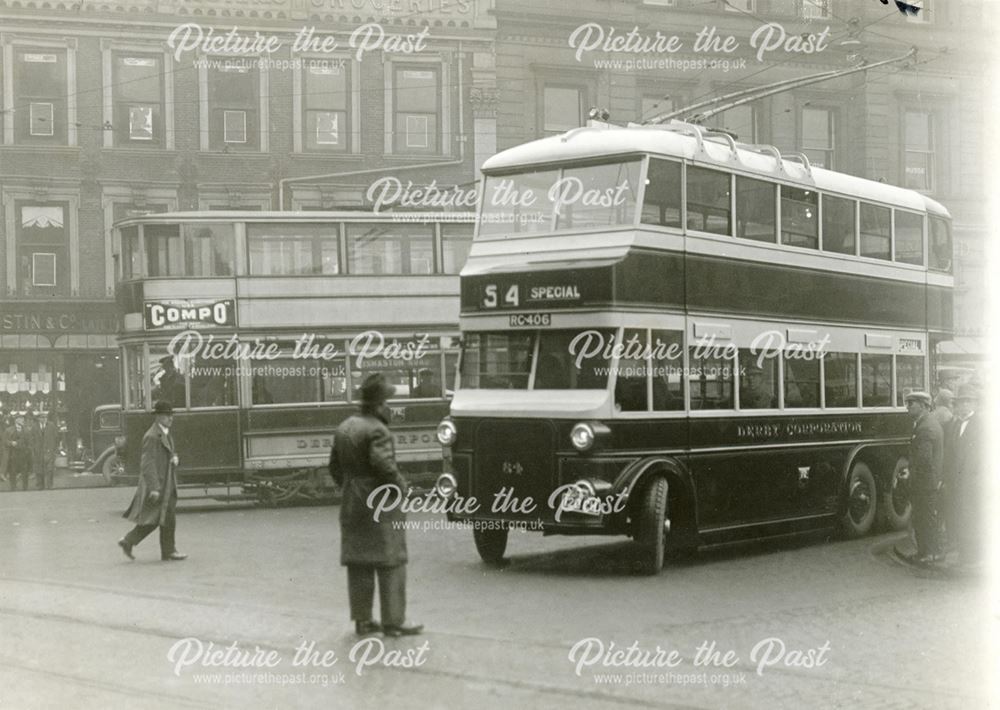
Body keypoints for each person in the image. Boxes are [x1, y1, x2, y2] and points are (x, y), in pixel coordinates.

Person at [329, 373, 422, 638]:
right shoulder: (378, 430)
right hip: (379, 505)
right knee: (391, 561)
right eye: (387, 402)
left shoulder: (345, 426)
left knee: (359, 563)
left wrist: (351, 487)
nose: (389, 408)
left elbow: (334, 467)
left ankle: (363, 620)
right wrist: (402, 488)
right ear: (379, 405)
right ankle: (393, 622)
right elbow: (384, 467)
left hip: (352, 502)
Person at [118, 400, 187, 562]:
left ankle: (129, 541)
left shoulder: (164, 432)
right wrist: (154, 488)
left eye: (171, 415)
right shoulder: (152, 436)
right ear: (158, 417)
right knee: (162, 517)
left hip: (165, 482)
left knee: (160, 517)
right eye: (167, 415)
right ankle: (168, 551)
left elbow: (166, 455)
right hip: (160, 484)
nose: (171, 418)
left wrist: (174, 459)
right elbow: (147, 463)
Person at [896, 391, 944, 565]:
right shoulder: (925, 423)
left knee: (924, 518)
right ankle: (934, 552)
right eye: (907, 403)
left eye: (912, 404)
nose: (908, 407)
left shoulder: (926, 427)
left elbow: (924, 458)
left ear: (924, 406)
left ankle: (927, 553)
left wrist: (910, 472)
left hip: (924, 482)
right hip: (927, 481)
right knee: (927, 517)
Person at [943, 384, 982, 567]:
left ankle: (972, 556)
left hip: (973, 481)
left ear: (974, 404)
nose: (964, 405)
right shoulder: (954, 424)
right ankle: (963, 555)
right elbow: (949, 453)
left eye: (968, 401)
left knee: (972, 517)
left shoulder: (981, 425)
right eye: (961, 402)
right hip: (956, 481)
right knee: (959, 516)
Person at [5, 417, 32, 491]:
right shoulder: (9, 430)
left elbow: (30, 442)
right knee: (12, 471)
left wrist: (27, 450)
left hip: (24, 454)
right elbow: (5, 441)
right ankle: (13, 487)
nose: (23, 421)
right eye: (21, 420)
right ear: (16, 421)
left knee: (25, 472)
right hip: (13, 454)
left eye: (23, 420)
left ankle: (25, 488)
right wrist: (11, 443)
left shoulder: (27, 430)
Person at [41, 414, 61, 490]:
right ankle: (44, 485)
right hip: (41, 450)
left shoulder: (51, 425)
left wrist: (55, 448)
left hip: (50, 449)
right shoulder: (38, 426)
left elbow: (56, 437)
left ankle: (49, 485)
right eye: (42, 417)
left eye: (45, 417)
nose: (43, 419)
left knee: (50, 468)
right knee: (42, 468)